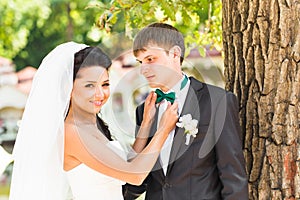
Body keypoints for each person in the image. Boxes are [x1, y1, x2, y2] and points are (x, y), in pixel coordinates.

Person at [9, 42, 179, 200]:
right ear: (68, 88)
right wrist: (163, 130)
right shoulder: (72, 132)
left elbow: (127, 164)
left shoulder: (91, 125)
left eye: (105, 84)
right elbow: (135, 175)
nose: (100, 94)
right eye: (89, 85)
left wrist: (147, 123)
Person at [122, 23, 249, 199]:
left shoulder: (217, 102)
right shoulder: (144, 111)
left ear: (175, 53)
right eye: (141, 62)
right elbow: (134, 184)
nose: (143, 69)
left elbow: (233, 176)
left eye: (150, 59)